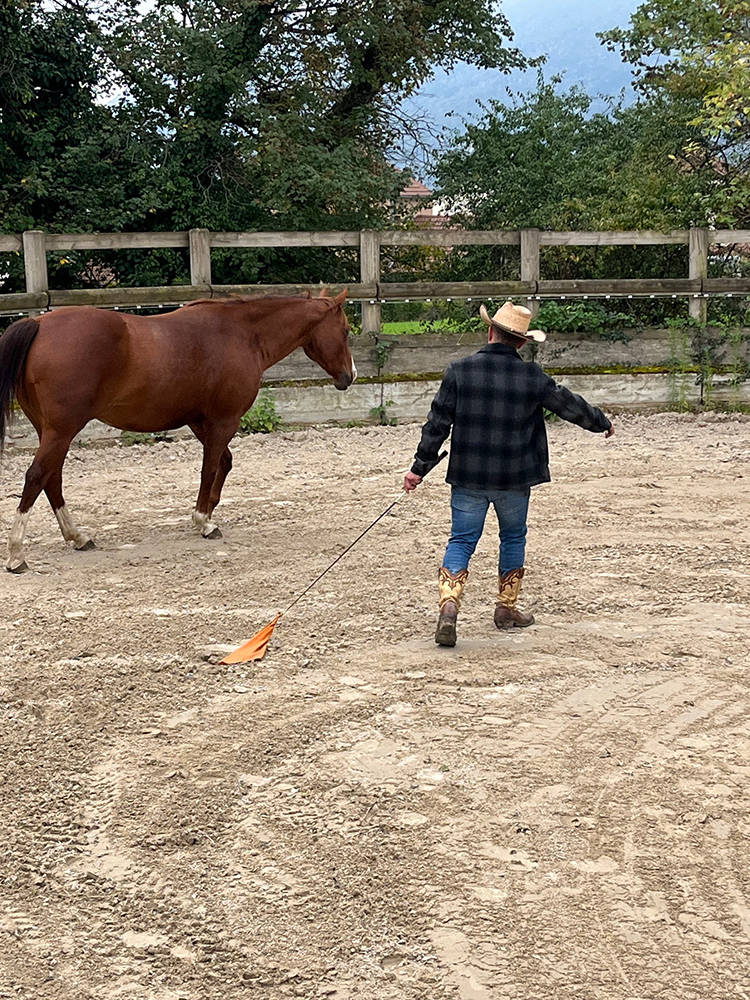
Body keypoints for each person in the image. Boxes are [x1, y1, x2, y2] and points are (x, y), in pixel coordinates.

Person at [403, 301, 614, 647]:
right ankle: (506, 609)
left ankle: (449, 606)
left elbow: (436, 424)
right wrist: (600, 422)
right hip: (515, 477)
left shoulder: (459, 371)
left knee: (461, 540)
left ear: (490, 332)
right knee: (513, 538)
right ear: (522, 342)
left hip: (468, 476)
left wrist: (418, 469)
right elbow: (568, 405)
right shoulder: (531, 376)